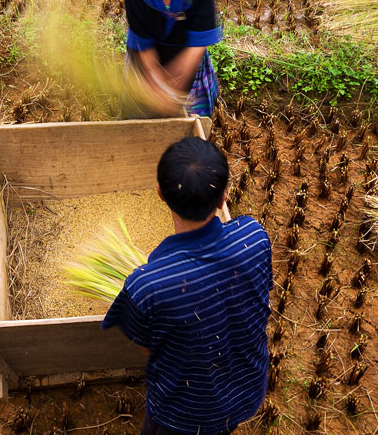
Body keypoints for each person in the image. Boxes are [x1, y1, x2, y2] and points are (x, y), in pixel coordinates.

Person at [102, 136, 272, 435]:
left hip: (182, 413)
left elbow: (149, 348)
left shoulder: (146, 284)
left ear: (160, 194)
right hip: (245, 391)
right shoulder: (254, 237)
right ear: (223, 197)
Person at [124, 0, 223, 118]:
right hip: (147, 55)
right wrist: (157, 84)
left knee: (191, 117)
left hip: (187, 53)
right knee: (140, 110)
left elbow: (197, 44)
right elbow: (143, 47)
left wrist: (175, 88)